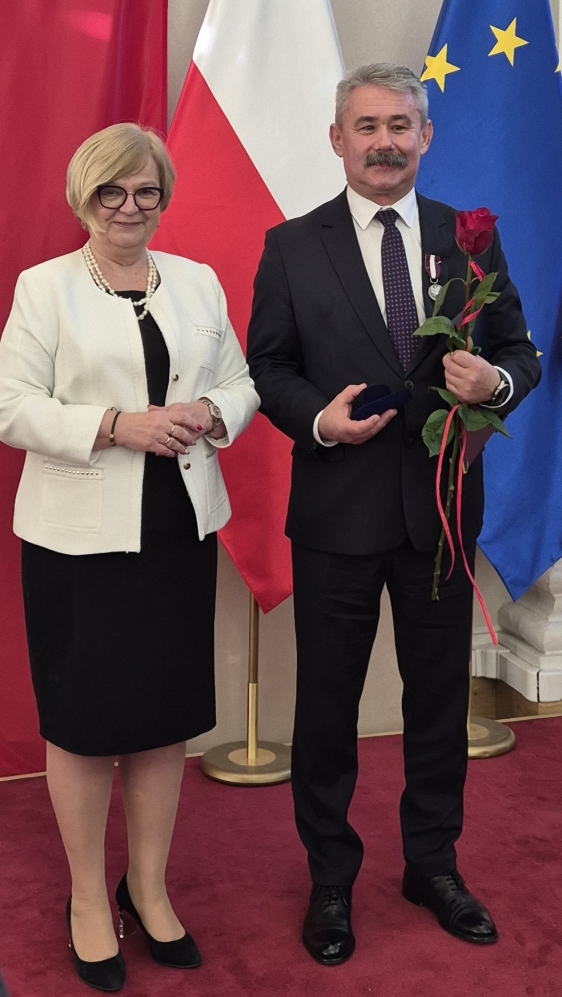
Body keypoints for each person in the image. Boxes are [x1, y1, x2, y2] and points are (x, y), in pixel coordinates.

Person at [247, 63, 540, 965]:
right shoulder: (290, 246)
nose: (385, 142)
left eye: (400, 126)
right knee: (327, 709)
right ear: (338, 139)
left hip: (441, 517)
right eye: (367, 126)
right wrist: (319, 421)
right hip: (336, 514)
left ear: (425, 136)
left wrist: (494, 382)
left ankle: (433, 866)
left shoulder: (470, 237)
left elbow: (520, 352)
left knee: (439, 703)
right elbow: (269, 367)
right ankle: (331, 879)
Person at [0, 123, 259, 992]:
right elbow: (9, 405)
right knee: (83, 723)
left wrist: (210, 415)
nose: (129, 207)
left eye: (146, 191)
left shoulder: (196, 280)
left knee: (162, 717)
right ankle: (86, 898)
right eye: (111, 192)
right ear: (84, 196)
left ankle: (147, 887)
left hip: (177, 531)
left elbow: (241, 382)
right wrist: (117, 425)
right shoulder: (45, 288)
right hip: (78, 543)